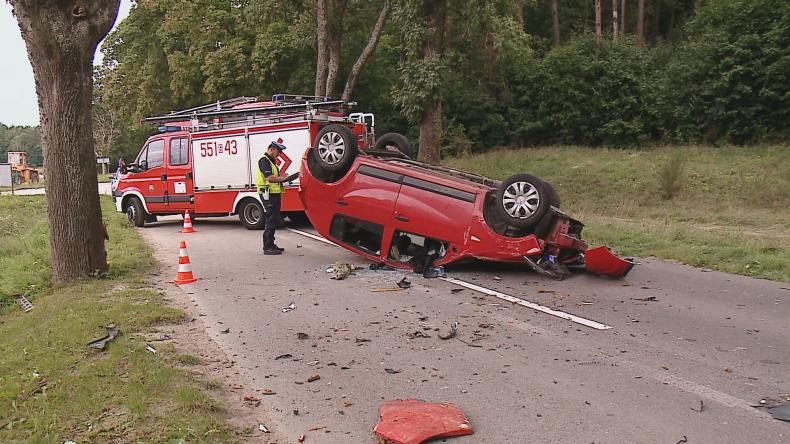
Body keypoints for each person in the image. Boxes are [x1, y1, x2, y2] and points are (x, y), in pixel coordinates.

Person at [258, 141, 289, 255]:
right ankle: (267, 247)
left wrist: (282, 178)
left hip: (273, 194)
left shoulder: (270, 161)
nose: (279, 154)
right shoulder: (264, 160)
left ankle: (271, 244)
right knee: (270, 220)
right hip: (268, 194)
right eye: (278, 151)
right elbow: (269, 178)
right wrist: (281, 179)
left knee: (274, 219)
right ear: (271, 149)